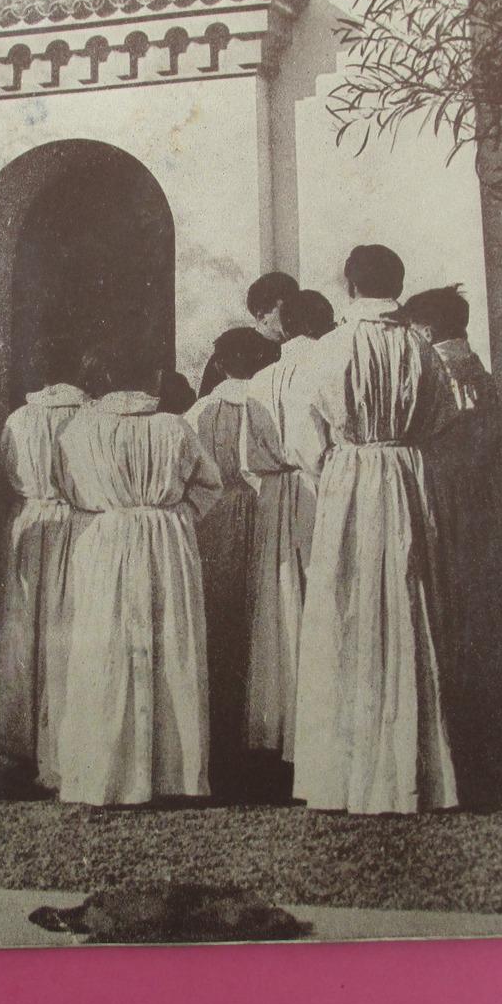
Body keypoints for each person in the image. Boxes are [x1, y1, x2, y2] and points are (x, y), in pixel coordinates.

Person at [291, 245, 459, 816]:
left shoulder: (331, 348)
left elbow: (304, 434)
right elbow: (440, 418)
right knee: (406, 608)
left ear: (349, 286)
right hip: (405, 478)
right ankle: (409, 766)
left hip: (351, 478)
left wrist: (334, 470)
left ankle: (346, 772)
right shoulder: (419, 347)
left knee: (349, 608)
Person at [55, 345, 224, 806]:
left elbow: (72, 491)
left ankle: (104, 771)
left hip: (106, 537)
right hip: (166, 540)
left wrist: (112, 508)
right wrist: (173, 515)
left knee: (106, 645)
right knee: (170, 642)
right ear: (152, 377)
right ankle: (174, 773)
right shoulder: (174, 426)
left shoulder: (81, 429)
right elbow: (211, 484)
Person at [401, 285, 502, 808]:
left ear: (428, 329)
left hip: (448, 500)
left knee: (450, 617)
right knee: (490, 617)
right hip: (487, 506)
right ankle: (501, 748)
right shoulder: (482, 371)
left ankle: (462, 751)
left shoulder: (438, 370)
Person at [239, 289, 335, 787]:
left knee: (280, 605)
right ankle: (321, 727)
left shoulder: (260, 379)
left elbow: (248, 455)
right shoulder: (329, 366)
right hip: (321, 489)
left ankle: (279, 728)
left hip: (275, 492)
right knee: (324, 596)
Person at [185, 327, 280, 799]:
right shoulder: (266, 401)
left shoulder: (199, 410)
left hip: (215, 515)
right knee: (259, 615)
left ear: (219, 365)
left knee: (218, 619)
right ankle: (259, 731)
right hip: (261, 509)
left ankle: (221, 734)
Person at [0, 345, 88, 791]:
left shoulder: (18, 419)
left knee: (25, 628)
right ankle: (64, 734)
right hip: (75, 522)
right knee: (65, 625)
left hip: (30, 520)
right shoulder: (89, 415)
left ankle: (23, 738)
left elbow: (3, 469)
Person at [199, 272, 299, 395]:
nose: (293, 315)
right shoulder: (229, 354)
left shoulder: (300, 349)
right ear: (262, 316)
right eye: (286, 310)